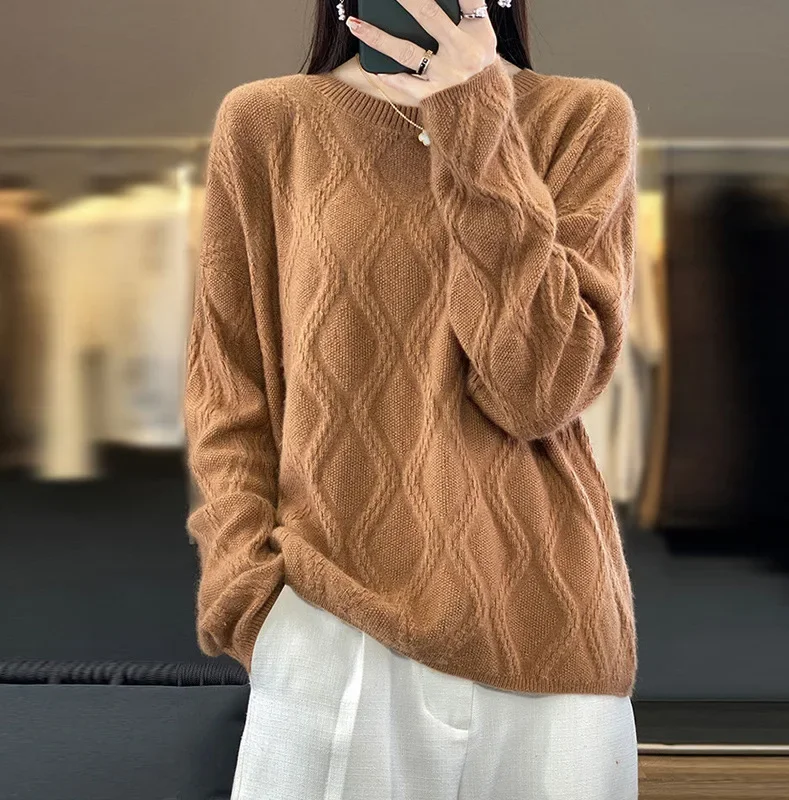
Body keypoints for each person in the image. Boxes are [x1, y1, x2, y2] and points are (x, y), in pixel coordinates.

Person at [183, 0, 640, 797]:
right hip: (327, 618)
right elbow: (230, 383)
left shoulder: (583, 118)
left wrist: (476, 116)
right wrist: (249, 595)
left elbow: (540, 392)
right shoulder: (268, 121)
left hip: (545, 629)